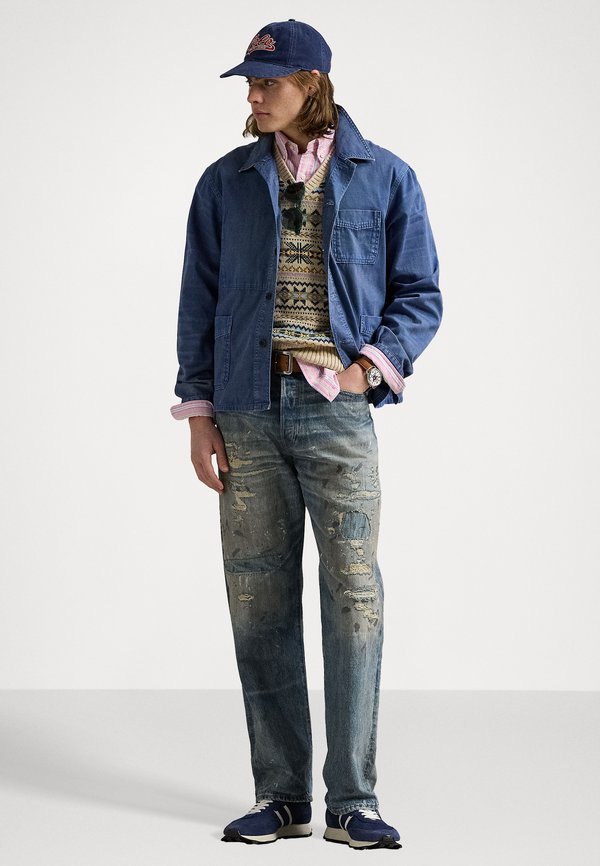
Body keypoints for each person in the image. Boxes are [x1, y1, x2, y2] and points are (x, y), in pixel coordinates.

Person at [170, 19, 442, 850]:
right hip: (246, 411)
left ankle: (353, 800)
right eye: (251, 83)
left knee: (354, 597)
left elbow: (419, 293)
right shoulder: (224, 183)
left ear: (312, 85)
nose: (255, 96)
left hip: (337, 414)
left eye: (269, 82)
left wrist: (367, 369)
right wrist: (200, 414)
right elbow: (198, 301)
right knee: (258, 599)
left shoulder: (384, 176)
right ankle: (280, 796)